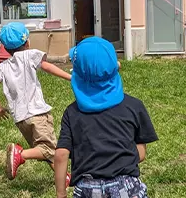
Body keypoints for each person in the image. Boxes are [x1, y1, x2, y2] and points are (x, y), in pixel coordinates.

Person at [55, 36, 158, 198]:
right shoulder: (134, 106)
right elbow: (141, 154)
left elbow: (61, 154)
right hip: (126, 185)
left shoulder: (72, 113)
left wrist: (61, 193)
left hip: (87, 187)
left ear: (78, 76)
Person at [0, 22, 72, 185]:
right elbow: (47, 67)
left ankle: (64, 177)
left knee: (44, 150)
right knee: (49, 149)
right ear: (27, 42)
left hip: (20, 118)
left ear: (5, 48)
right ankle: (20, 154)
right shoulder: (30, 55)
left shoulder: (3, 66)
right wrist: (70, 78)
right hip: (37, 113)